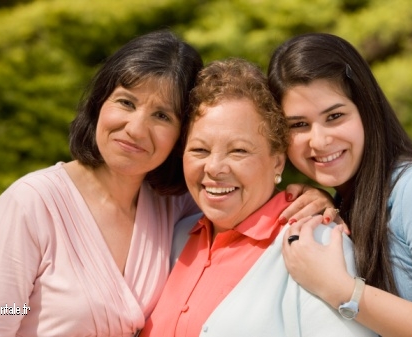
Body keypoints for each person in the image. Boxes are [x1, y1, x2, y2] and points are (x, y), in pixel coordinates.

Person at [0, 31, 334, 336]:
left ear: (180, 136)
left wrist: (308, 194)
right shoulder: (30, 205)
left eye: (161, 115)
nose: (136, 128)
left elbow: (242, 198)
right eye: (126, 103)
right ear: (99, 104)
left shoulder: (175, 208)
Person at [140, 58, 376, 337]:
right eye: (200, 150)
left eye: (238, 151)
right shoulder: (176, 236)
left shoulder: (318, 241)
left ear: (277, 162)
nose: (214, 168)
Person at [268, 32, 412, 336]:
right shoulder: (345, 203)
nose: (320, 140)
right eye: (298, 125)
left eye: (335, 116)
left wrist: (339, 289)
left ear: (366, 110)